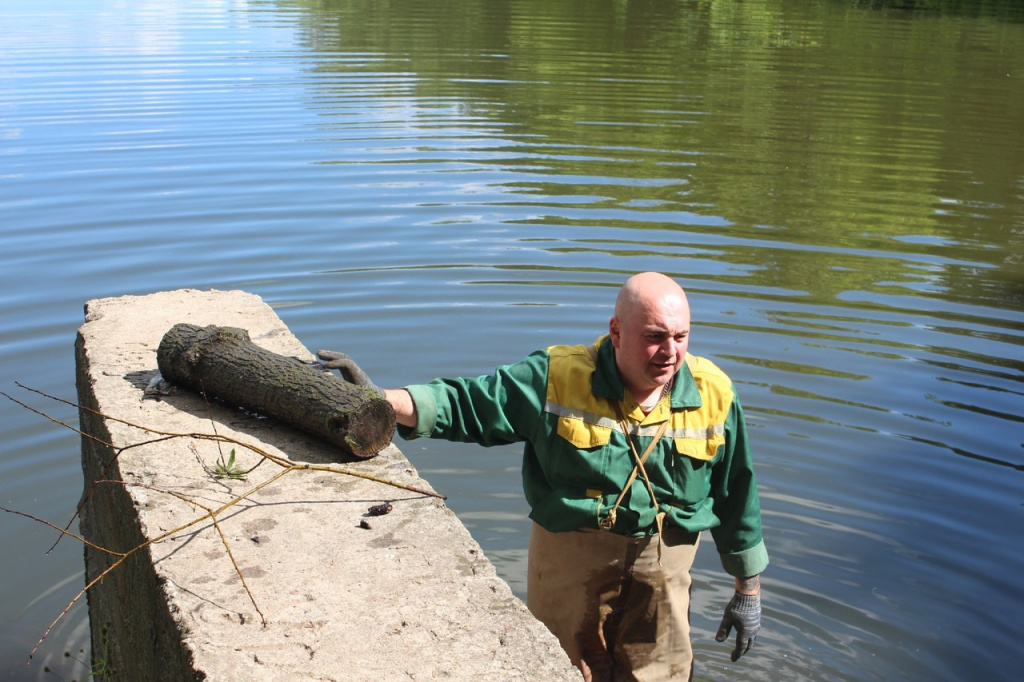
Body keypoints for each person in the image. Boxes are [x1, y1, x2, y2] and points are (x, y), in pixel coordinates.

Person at [319, 272, 768, 681]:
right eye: (654, 337)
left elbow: (737, 494)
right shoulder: (557, 377)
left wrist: (747, 590)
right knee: (559, 670)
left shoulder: (715, 394)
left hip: (662, 585)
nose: (670, 352)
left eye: (680, 336)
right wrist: (381, 400)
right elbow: (470, 404)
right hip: (571, 572)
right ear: (616, 331)